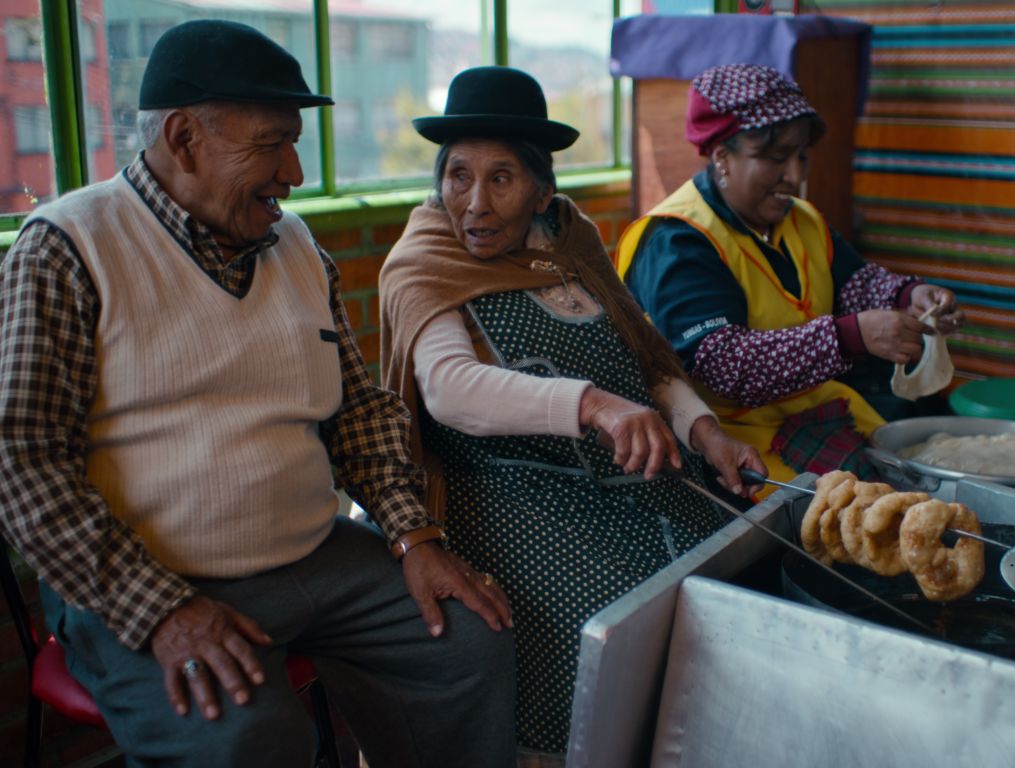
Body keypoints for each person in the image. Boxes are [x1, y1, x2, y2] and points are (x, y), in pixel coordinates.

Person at [0, 20, 516, 768]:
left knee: (469, 639)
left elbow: (358, 413)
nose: (296, 173)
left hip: (315, 553)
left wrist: (413, 535)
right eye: (272, 143)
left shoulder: (296, 244)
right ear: (182, 139)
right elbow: (23, 462)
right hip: (146, 579)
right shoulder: (68, 248)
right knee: (252, 736)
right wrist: (165, 610)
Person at [379, 66, 767, 762]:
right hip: (511, 497)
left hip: (628, 486)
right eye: (458, 175)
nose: (475, 202)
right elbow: (446, 387)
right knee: (617, 622)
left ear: (541, 188)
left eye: (502, 178)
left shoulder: (571, 242)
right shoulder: (426, 258)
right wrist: (590, 405)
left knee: (735, 582)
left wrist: (705, 431)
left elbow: (647, 357)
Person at [617, 63, 964, 488]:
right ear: (722, 155)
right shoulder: (677, 240)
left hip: (813, 411)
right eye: (776, 158)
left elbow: (853, 283)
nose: (796, 177)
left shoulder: (799, 220)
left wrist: (909, 296)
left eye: (801, 156)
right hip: (726, 441)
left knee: (917, 481)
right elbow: (723, 365)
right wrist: (850, 336)